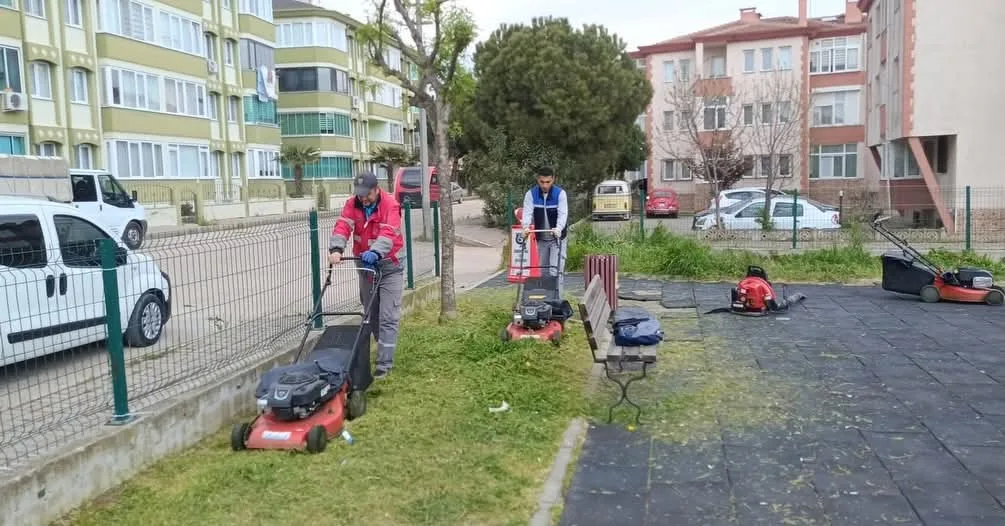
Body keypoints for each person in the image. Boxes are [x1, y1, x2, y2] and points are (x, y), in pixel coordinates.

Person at [328, 172, 405, 379]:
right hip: (365, 266)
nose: (363, 198)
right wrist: (336, 249)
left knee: (388, 316)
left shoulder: (390, 205)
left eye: (367, 194)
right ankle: (381, 348)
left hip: (390, 266)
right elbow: (343, 226)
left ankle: (384, 365)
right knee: (372, 314)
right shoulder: (352, 204)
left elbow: (389, 232)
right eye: (360, 194)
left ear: (376, 189)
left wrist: (377, 251)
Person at [521, 166, 569, 296]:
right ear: (538, 180)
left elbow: (563, 214)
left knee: (556, 271)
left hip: (557, 238)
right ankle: (546, 299)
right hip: (541, 238)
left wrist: (558, 228)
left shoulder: (560, 194)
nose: (545, 185)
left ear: (553, 179)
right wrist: (525, 227)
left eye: (548, 182)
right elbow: (527, 213)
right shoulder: (531, 194)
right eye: (542, 182)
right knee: (544, 271)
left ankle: (557, 300)